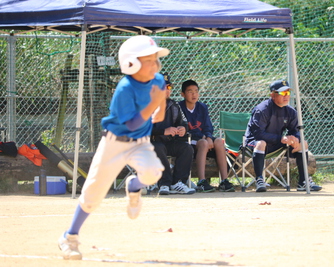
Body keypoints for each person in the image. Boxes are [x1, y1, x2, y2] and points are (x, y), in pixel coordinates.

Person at [58, 35, 170, 260]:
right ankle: (69, 237)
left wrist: (160, 102)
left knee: (153, 173)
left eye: (156, 59)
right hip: (114, 143)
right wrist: (154, 103)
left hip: (140, 143)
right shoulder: (124, 89)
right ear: (132, 63)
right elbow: (132, 123)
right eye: (149, 60)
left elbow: (158, 117)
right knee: (93, 194)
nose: (156, 64)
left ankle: (134, 186)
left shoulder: (157, 80)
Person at [244, 79, 322, 192]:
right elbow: (258, 134)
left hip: (276, 144)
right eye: (282, 93)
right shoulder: (262, 110)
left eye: (288, 93)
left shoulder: (290, 112)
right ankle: (259, 180)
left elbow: (295, 130)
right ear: (272, 95)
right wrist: (281, 138)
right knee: (261, 143)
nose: (286, 96)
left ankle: (303, 182)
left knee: (303, 143)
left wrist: (295, 138)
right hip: (254, 143)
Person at [179, 80, 235, 193]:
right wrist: (204, 138)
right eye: (190, 91)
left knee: (219, 141)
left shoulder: (202, 107)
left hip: (202, 138)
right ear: (183, 94)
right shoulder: (179, 107)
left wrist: (209, 137)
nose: (194, 94)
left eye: (196, 91)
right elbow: (185, 129)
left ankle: (224, 180)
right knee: (204, 143)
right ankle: (202, 181)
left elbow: (208, 126)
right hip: (189, 141)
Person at [151, 73, 195, 195]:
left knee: (187, 148)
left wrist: (183, 129)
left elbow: (184, 123)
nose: (167, 90)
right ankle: (164, 184)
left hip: (169, 142)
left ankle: (177, 183)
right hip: (150, 143)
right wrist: (163, 131)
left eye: (169, 87)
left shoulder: (174, 105)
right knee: (158, 147)